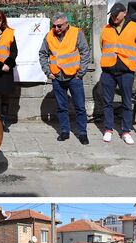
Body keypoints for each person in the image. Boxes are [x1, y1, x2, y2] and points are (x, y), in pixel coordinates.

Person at [39, 12, 90, 145]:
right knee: (61, 107)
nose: (56, 29)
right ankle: (64, 131)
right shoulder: (49, 36)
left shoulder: (76, 33)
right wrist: (47, 72)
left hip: (74, 77)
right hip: (57, 77)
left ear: (66, 24)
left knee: (80, 107)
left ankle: (82, 133)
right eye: (54, 26)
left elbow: (85, 52)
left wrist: (81, 73)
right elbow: (43, 54)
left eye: (59, 26)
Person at [100, 2, 136, 145]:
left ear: (124, 13)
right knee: (107, 102)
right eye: (112, 15)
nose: (113, 17)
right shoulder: (106, 28)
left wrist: (130, 61)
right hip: (108, 71)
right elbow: (102, 46)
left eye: (116, 15)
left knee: (127, 102)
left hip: (126, 71)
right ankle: (108, 129)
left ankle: (126, 131)